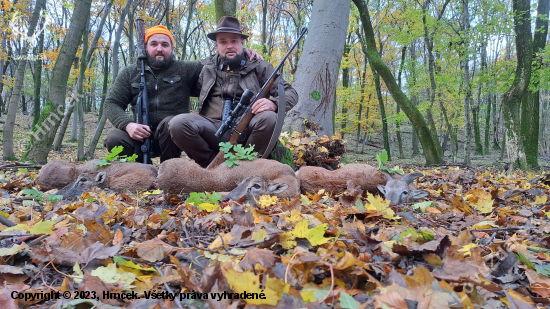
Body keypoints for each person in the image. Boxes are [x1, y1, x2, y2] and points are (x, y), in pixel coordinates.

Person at [103, 25, 261, 162]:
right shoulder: (130, 73)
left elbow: (217, 59)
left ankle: (169, 171)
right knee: (114, 139)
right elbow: (112, 103)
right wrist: (128, 125)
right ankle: (140, 172)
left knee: (169, 122)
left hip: (172, 136)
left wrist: (241, 51)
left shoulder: (186, 69)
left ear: (172, 48)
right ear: (145, 47)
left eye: (165, 44)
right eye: (154, 44)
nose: (159, 48)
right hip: (139, 135)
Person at [167, 16, 298, 168]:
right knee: (177, 123)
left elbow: (291, 93)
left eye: (234, 41)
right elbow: (174, 73)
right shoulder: (203, 66)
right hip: (211, 128)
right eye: (223, 42)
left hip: (248, 129)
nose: (229, 46)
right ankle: (211, 169)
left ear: (242, 43)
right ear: (216, 45)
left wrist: (274, 103)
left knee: (269, 118)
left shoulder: (260, 66)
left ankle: (246, 169)